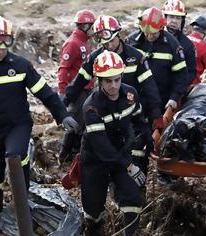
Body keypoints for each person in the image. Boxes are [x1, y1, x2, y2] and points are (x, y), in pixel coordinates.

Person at [0, 16, 78, 234]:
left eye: (6, 42)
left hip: (16, 126)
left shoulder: (19, 65)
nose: (1, 49)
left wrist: (63, 115)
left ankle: (23, 212)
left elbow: (44, 92)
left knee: (16, 156)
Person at [64, 15, 161, 177]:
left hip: (131, 111)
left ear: (119, 35)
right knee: (109, 151)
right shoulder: (95, 58)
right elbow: (77, 83)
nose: (108, 46)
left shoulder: (136, 57)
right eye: (104, 44)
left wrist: (156, 112)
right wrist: (62, 106)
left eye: (111, 41)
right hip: (106, 113)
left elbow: (149, 86)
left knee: (137, 150)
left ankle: (139, 186)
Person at [81, 50, 151, 235]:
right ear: (99, 80)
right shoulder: (92, 107)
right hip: (96, 159)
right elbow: (103, 148)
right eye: (108, 81)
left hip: (121, 153)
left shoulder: (130, 94)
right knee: (93, 208)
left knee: (132, 199)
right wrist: (130, 166)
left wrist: (147, 140)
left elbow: (138, 120)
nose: (113, 85)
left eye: (117, 79)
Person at [126, 6, 188, 112]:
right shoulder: (131, 42)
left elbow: (181, 74)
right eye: (146, 33)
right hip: (135, 99)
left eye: (153, 33)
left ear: (161, 28)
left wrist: (174, 98)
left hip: (162, 100)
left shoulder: (172, 44)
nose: (149, 36)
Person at [57, 9, 96, 163]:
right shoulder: (73, 43)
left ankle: (74, 154)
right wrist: (62, 91)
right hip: (77, 91)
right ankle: (66, 154)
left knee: (84, 122)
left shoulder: (83, 42)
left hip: (87, 90)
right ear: (84, 25)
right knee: (76, 123)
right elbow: (63, 68)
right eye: (91, 25)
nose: (93, 29)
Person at [163, 0, 196, 87]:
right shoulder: (152, 37)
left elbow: (191, 72)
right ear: (165, 18)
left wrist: (178, 89)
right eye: (171, 17)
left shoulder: (187, 44)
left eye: (178, 18)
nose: (174, 21)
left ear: (182, 20)